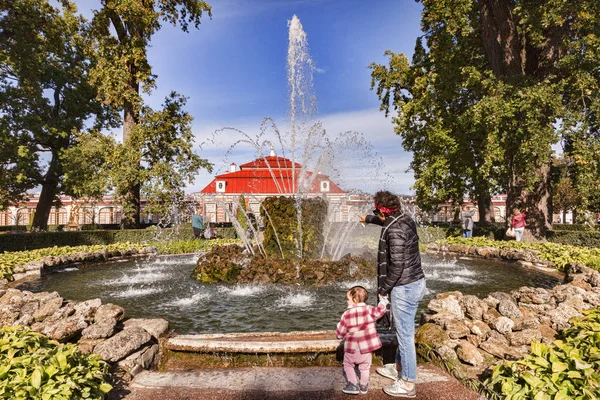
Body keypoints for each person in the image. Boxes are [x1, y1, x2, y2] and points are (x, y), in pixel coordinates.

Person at [360, 190, 426, 398]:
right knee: (402, 330)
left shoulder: (394, 231)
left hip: (404, 286)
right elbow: (387, 223)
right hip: (414, 282)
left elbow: (396, 266)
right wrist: (369, 219)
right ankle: (398, 366)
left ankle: (407, 383)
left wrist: (383, 289)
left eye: (375, 211)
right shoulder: (404, 219)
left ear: (382, 210)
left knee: (405, 335)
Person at [335, 286, 389, 395]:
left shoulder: (346, 314)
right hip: (366, 347)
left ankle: (353, 385)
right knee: (365, 367)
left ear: (354, 300)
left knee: (348, 365)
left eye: (348, 299)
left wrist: (339, 335)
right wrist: (383, 301)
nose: (347, 301)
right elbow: (380, 311)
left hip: (352, 347)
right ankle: (364, 386)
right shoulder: (369, 310)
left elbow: (340, 332)